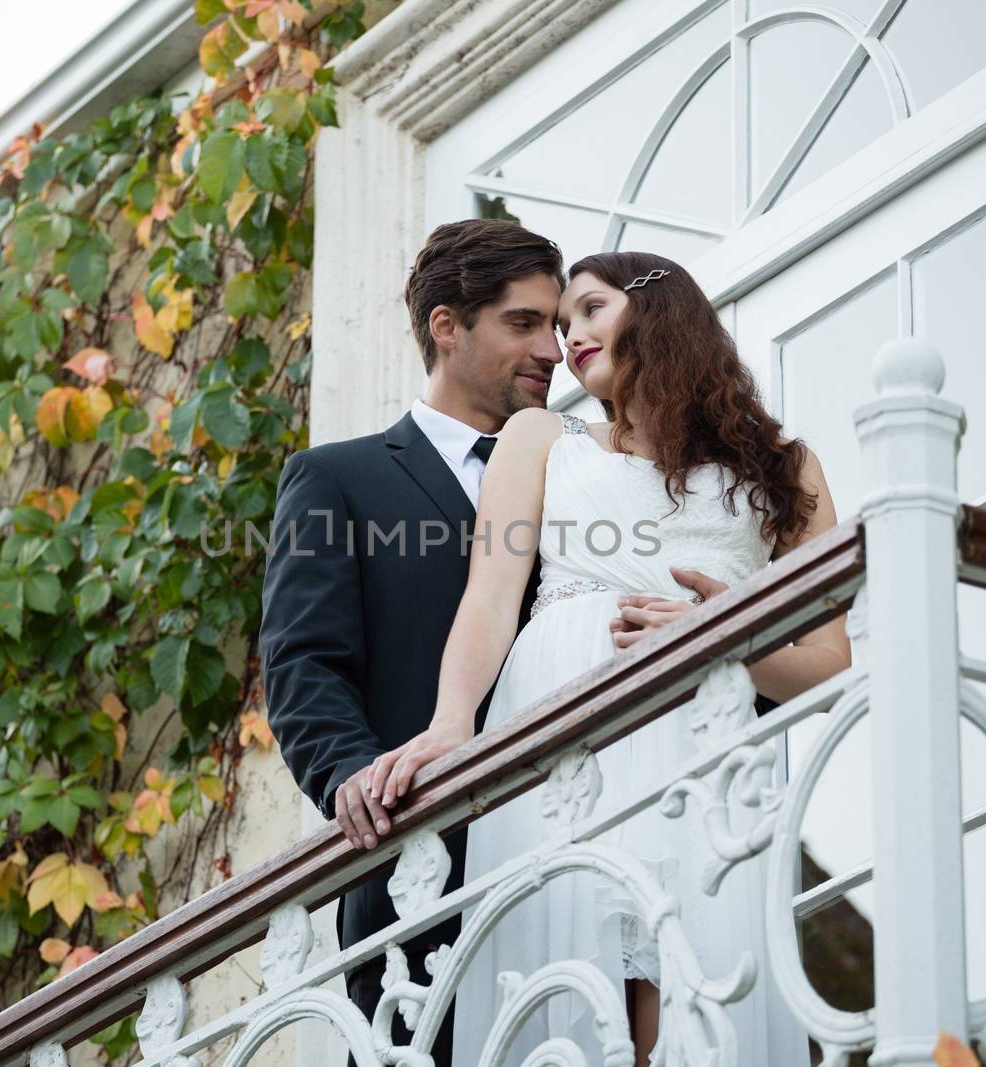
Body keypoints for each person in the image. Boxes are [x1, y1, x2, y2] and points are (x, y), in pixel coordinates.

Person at [364, 252, 851, 1066]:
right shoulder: (540, 436)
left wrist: (717, 636)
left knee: (688, 991)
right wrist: (452, 723)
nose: (568, 339)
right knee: (570, 997)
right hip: (561, 737)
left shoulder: (787, 468)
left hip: (701, 751)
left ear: (661, 312)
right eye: (558, 325)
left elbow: (832, 665)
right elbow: (488, 599)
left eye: (589, 310)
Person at [259, 218, 565, 1061]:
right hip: (423, 886)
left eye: (558, 325)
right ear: (446, 325)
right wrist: (359, 780)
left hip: (580, 852)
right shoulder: (338, 478)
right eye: (524, 322)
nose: (555, 349)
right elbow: (303, 663)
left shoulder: (585, 472)